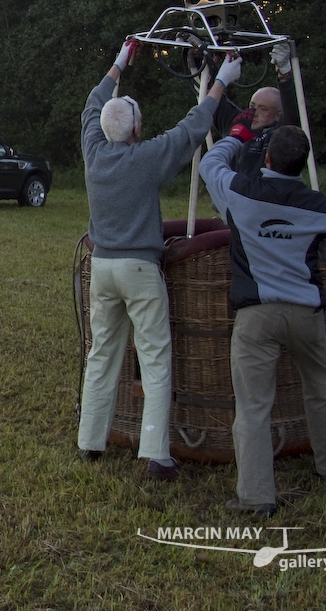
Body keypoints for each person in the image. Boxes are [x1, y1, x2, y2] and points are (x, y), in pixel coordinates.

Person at [77, 39, 241, 480]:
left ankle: (89, 441)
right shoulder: (145, 158)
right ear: (133, 131)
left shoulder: (93, 152)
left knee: (101, 355)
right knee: (154, 358)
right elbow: (192, 129)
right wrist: (222, 81)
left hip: (103, 269)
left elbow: (92, 105)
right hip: (139, 270)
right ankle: (155, 453)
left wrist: (118, 64)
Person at [200, 124, 326, 516]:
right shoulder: (320, 207)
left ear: (266, 159)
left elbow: (210, 162)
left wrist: (240, 133)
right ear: (302, 165)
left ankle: (256, 496)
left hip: (256, 316)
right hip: (305, 313)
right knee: (319, 387)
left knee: (252, 406)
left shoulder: (239, 193)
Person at [211, 42, 303, 177]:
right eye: (252, 106)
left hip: (263, 194)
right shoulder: (236, 122)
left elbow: (292, 112)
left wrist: (284, 75)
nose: (254, 113)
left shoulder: (281, 135)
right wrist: (201, 59)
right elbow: (212, 98)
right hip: (231, 194)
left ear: (277, 115)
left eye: (263, 109)